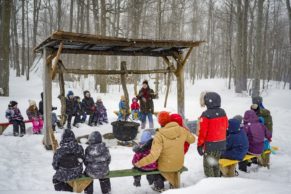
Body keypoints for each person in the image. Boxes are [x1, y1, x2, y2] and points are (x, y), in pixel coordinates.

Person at [134, 111, 195, 191]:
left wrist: (139, 163)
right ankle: (172, 184)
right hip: (178, 164)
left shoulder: (159, 135)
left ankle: (159, 186)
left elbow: (153, 156)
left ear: (160, 122)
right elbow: (192, 140)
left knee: (154, 166)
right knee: (169, 163)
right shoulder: (182, 130)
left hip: (165, 167)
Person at [197, 92, 228, 177]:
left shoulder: (206, 114)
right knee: (216, 164)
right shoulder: (223, 112)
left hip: (210, 145)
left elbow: (203, 132)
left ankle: (211, 185)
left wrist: (200, 145)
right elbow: (226, 126)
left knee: (208, 167)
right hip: (221, 144)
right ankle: (217, 181)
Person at [251, 96, 273, 168]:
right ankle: (265, 164)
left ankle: (262, 165)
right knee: (265, 149)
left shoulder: (256, 113)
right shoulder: (266, 112)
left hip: (261, 137)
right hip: (267, 135)